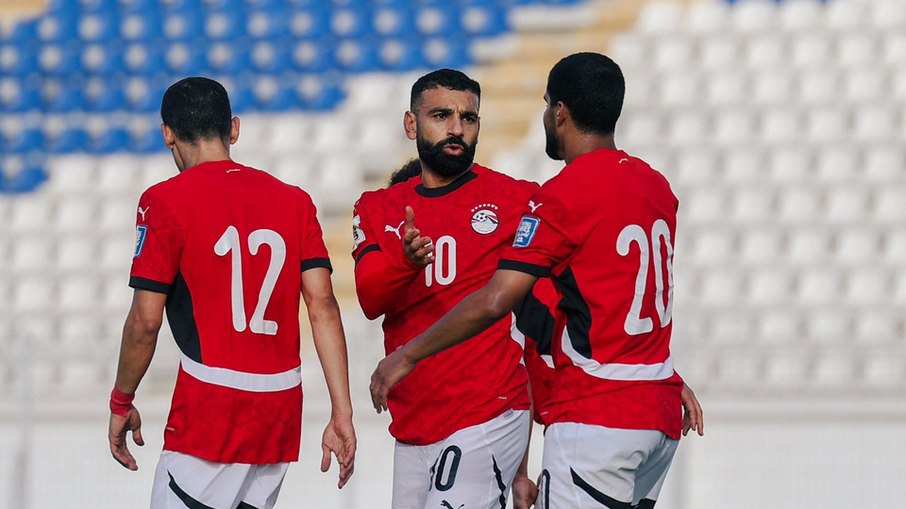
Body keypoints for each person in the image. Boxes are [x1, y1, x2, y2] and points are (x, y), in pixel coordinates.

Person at [370, 53, 704, 509]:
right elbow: (625, 295)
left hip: (598, 416)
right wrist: (667, 376)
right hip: (658, 412)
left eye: (547, 105)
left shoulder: (562, 196)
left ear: (559, 111)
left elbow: (495, 301)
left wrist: (406, 355)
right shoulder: (656, 186)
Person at [107, 77, 356, 509]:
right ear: (233, 129)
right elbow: (323, 306)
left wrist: (121, 399)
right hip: (279, 406)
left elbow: (145, 321)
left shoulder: (163, 200)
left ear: (167, 132)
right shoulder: (294, 200)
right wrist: (342, 412)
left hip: (212, 404)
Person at [351, 69, 542, 509]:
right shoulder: (377, 206)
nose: (457, 128)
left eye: (468, 118)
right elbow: (369, 299)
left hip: (488, 411)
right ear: (411, 124)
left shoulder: (517, 200)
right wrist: (406, 261)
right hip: (414, 420)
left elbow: (541, 319)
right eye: (441, 115)